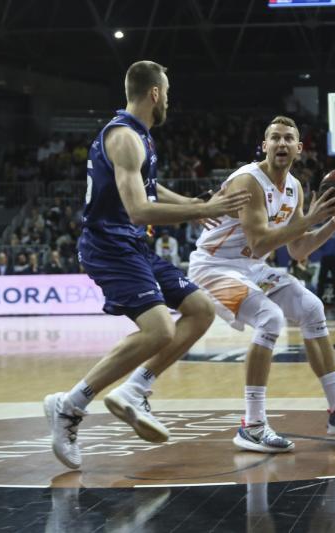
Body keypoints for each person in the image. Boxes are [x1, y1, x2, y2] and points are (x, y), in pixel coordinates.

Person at [43, 60, 251, 470]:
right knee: (159, 328)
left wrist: (190, 205)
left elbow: (150, 189)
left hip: (133, 246)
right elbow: (138, 209)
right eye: (167, 91)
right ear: (154, 93)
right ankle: (70, 406)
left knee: (201, 309)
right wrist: (204, 209)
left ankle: (136, 388)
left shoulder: (138, 138)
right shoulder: (124, 138)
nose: (169, 98)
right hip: (108, 247)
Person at [188, 116, 335, 454]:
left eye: (287, 138)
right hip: (212, 268)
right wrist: (312, 219)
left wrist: (334, 224)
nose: (281, 143)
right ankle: (252, 425)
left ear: (299, 148)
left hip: (250, 267)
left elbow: (298, 248)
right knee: (270, 318)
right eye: (274, 138)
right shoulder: (249, 181)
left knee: (311, 307)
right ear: (264, 146)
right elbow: (261, 243)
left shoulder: (295, 187)